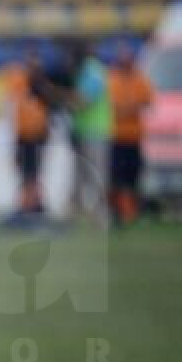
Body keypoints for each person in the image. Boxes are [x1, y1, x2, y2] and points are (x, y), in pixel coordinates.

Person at [2, 49, 52, 224]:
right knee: (26, 173)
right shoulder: (21, 84)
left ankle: (31, 205)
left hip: (37, 136)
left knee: (33, 173)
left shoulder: (43, 87)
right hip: (24, 136)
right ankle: (29, 204)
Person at [65, 40, 113, 224]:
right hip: (82, 131)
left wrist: (59, 96)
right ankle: (76, 213)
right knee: (80, 174)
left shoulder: (93, 71)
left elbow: (83, 100)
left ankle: (101, 214)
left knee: (98, 174)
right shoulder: (85, 71)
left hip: (96, 132)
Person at [106, 42, 153, 226]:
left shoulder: (139, 78)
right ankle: (117, 212)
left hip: (134, 137)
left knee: (133, 175)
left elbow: (147, 100)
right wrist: (131, 107)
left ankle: (132, 211)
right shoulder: (113, 79)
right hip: (117, 136)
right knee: (117, 176)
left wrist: (129, 108)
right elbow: (114, 106)